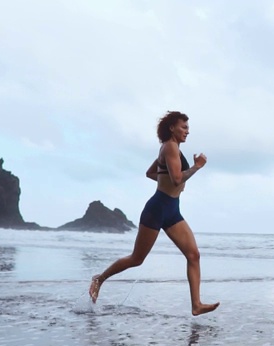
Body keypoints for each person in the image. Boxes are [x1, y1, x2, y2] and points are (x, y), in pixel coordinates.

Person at [89, 111, 219, 316]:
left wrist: (167, 179)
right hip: (158, 208)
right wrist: (196, 167)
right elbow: (176, 179)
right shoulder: (169, 146)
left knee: (193, 255)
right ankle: (100, 279)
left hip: (172, 210)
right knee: (137, 258)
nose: (187, 131)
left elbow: (151, 173)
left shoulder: (173, 149)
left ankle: (196, 305)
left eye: (188, 128)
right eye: (183, 127)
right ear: (171, 128)